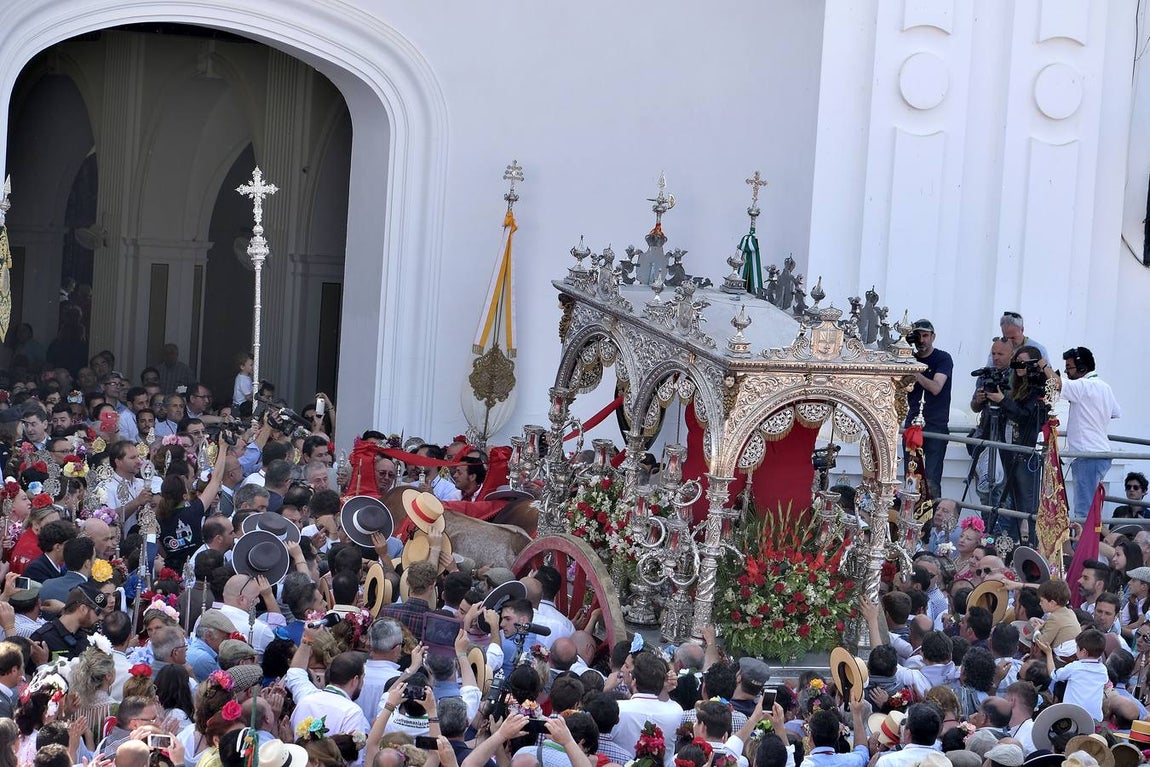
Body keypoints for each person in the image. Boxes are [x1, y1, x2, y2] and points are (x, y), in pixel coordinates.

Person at [1046, 347, 1121, 519]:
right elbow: (1115, 412)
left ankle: (1084, 539)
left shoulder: (1083, 386)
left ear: (1082, 368)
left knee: (1083, 510)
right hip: (1100, 453)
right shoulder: (1104, 386)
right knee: (1090, 508)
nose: (1066, 372)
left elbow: (1056, 383)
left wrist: (1043, 365)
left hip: (1087, 455)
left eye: (1069, 367)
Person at [904, 319, 953, 493]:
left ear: (933, 337)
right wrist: (904, 354)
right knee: (911, 477)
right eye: (918, 336)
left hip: (936, 425)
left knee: (931, 481)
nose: (922, 340)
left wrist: (914, 370)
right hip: (913, 424)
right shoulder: (909, 358)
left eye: (925, 335)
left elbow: (936, 387)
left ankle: (932, 511)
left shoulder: (943, 358)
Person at [1037, 628, 1107, 720]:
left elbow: (1054, 675)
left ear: (1084, 652)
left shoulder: (1075, 667)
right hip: (1095, 718)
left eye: (1077, 647)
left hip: (1072, 716)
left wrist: (1049, 653)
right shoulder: (1103, 670)